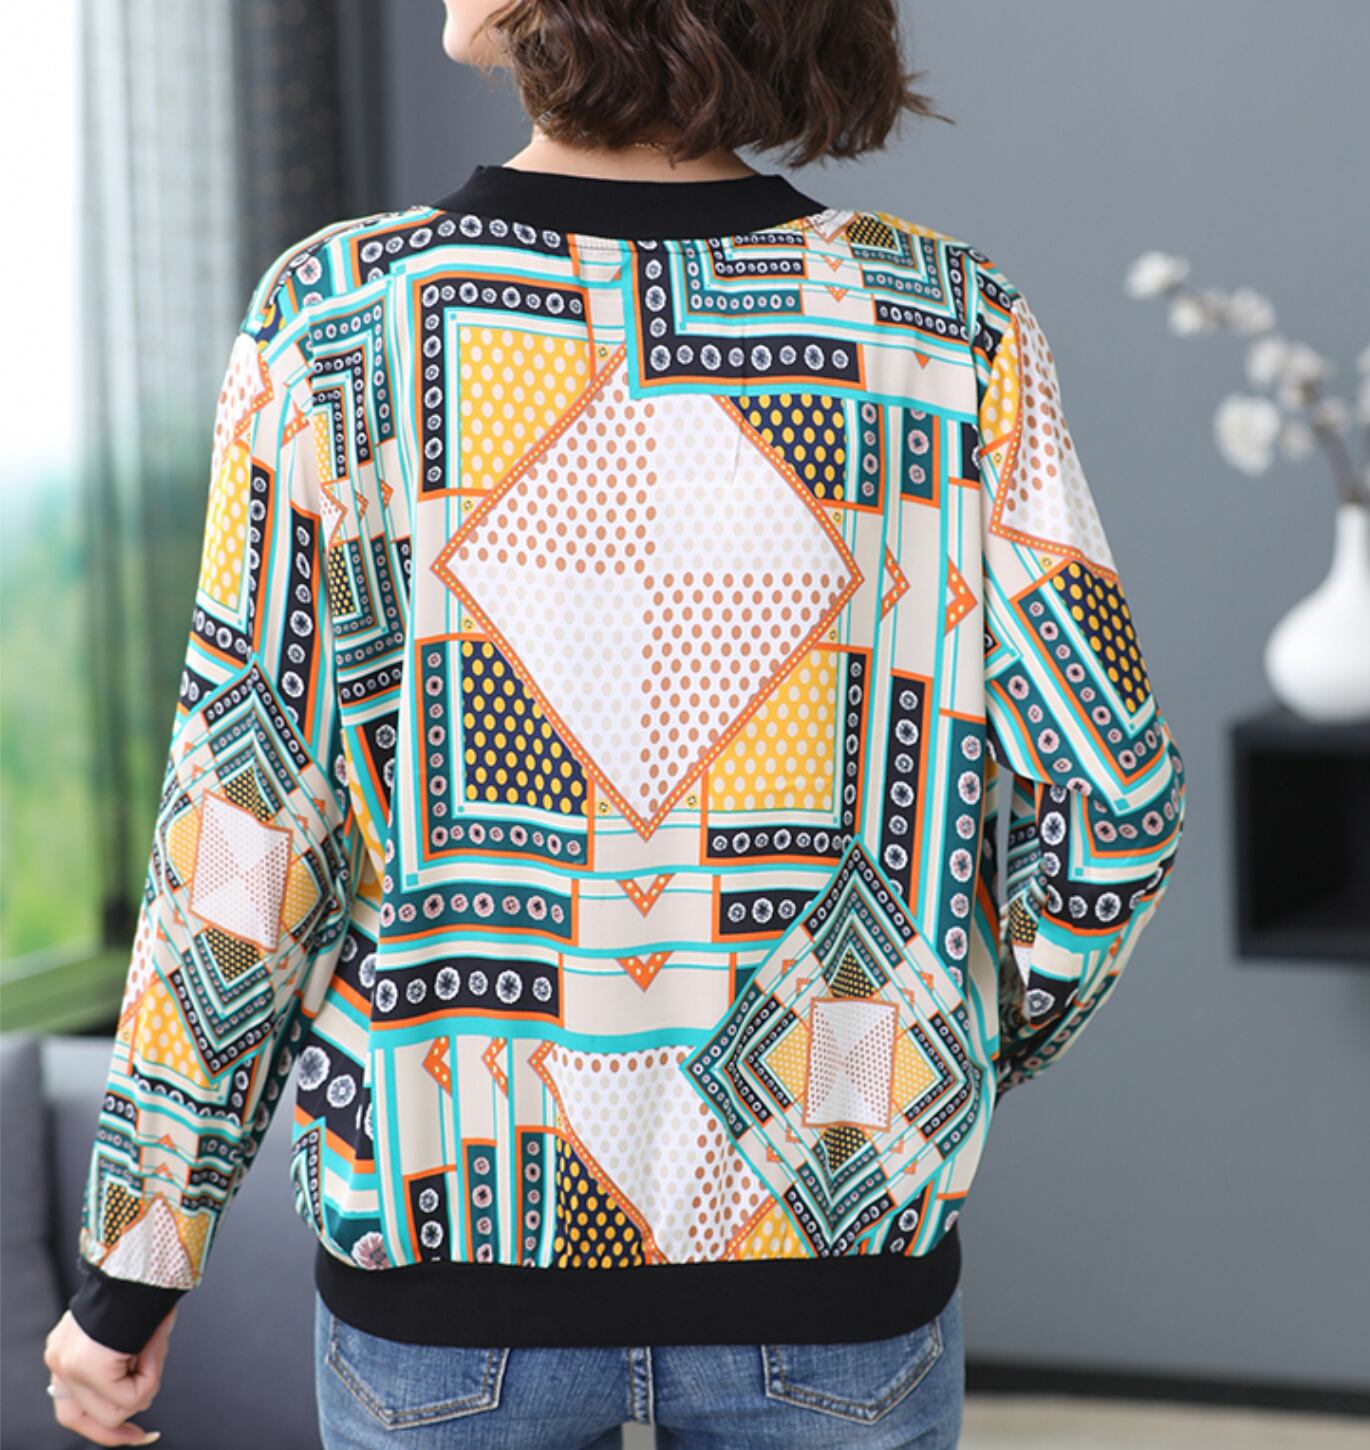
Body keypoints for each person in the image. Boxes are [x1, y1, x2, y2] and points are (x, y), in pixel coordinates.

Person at [44, 1, 1189, 1445]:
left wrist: (136, 1264)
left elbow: (245, 831)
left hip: (446, 1277)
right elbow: (1116, 803)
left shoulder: (339, 317)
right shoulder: (945, 322)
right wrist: (930, 1060)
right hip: (836, 1248)